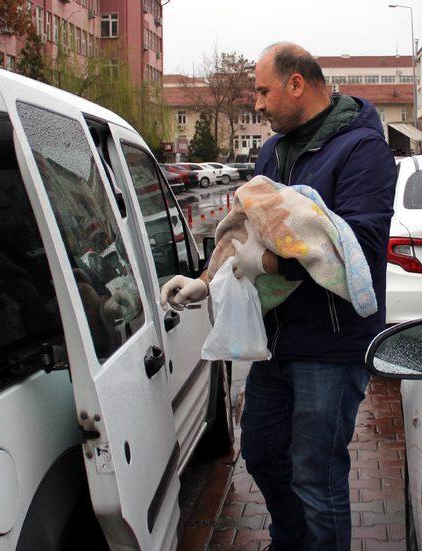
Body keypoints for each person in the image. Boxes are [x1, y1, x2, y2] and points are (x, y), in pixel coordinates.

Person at [161, 43, 396, 550]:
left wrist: (266, 263)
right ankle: (291, 542)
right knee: (263, 453)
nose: (258, 104)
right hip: (275, 340)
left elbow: (363, 249)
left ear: (297, 84)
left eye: (264, 91)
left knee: (317, 475)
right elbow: (248, 224)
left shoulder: (361, 149)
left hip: (331, 345)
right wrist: (208, 279)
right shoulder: (273, 150)